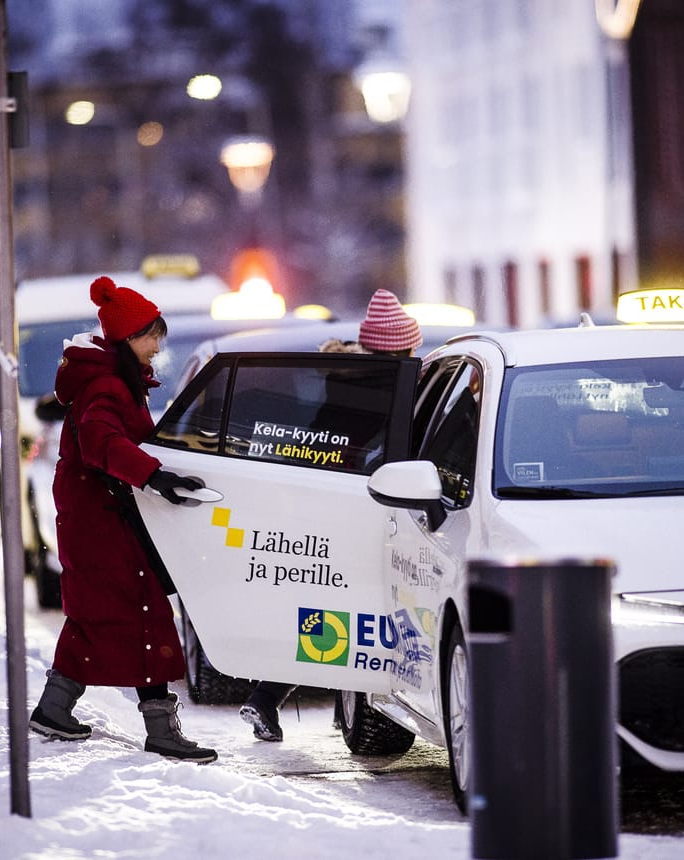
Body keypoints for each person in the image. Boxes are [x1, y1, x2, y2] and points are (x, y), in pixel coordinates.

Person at [30, 275, 217, 763]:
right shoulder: (107, 386)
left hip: (99, 516)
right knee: (144, 612)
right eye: (152, 335)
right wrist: (152, 476)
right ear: (128, 337)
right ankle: (161, 729)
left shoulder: (114, 382)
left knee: (99, 617)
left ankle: (54, 707)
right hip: (102, 520)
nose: (158, 346)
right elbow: (101, 443)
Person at [239, 288, 424, 742]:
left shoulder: (346, 385)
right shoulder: (389, 390)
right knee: (358, 614)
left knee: (331, 610)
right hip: (373, 509)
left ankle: (268, 697)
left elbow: (318, 449)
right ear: (399, 349)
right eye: (411, 347)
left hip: (336, 507)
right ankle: (279, 699)